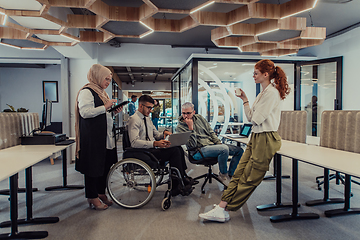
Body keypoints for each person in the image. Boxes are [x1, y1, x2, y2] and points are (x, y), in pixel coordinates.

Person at [199, 59, 290, 222]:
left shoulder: (272, 93)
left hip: (266, 138)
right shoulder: (262, 93)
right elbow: (250, 117)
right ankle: (222, 206)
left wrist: (251, 110)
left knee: (250, 178)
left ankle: (226, 207)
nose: (253, 76)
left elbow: (256, 119)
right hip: (256, 136)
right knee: (239, 173)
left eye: (256, 73)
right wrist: (245, 100)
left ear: (265, 74)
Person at [75, 64, 123, 210]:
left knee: (105, 165)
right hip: (93, 138)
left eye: (109, 80)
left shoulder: (102, 93)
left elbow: (102, 114)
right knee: (93, 168)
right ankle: (92, 197)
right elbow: (85, 112)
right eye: (106, 79)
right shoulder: (87, 92)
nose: (108, 82)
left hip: (105, 136)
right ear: (97, 77)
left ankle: (101, 193)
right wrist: (106, 106)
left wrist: (113, 112)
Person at [127, 95, 195, 196]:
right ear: (140, 106)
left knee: (177, 148)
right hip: (142, 152)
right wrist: (155, 143)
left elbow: (156, 135)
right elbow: (134, 142)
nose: (151, 110)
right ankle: (177, 184)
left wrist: (164, 134)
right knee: (174, 152)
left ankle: (182, 177)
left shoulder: (147, 119)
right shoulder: (134, 119)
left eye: (151, 108)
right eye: (149, 108)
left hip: (150, 149)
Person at [176, 102, 244, 186]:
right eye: (183, 113)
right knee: (224, 149)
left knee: (239, 151)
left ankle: (230, 175)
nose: (186, 116)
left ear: (193, 112)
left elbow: (210, 131)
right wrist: (191, 129)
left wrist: (218, 143)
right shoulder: (180, 127)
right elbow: (192, 145)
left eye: (188, 113)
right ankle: (223, 175)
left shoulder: (200, 118)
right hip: (198, 151)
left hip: (211, 145)